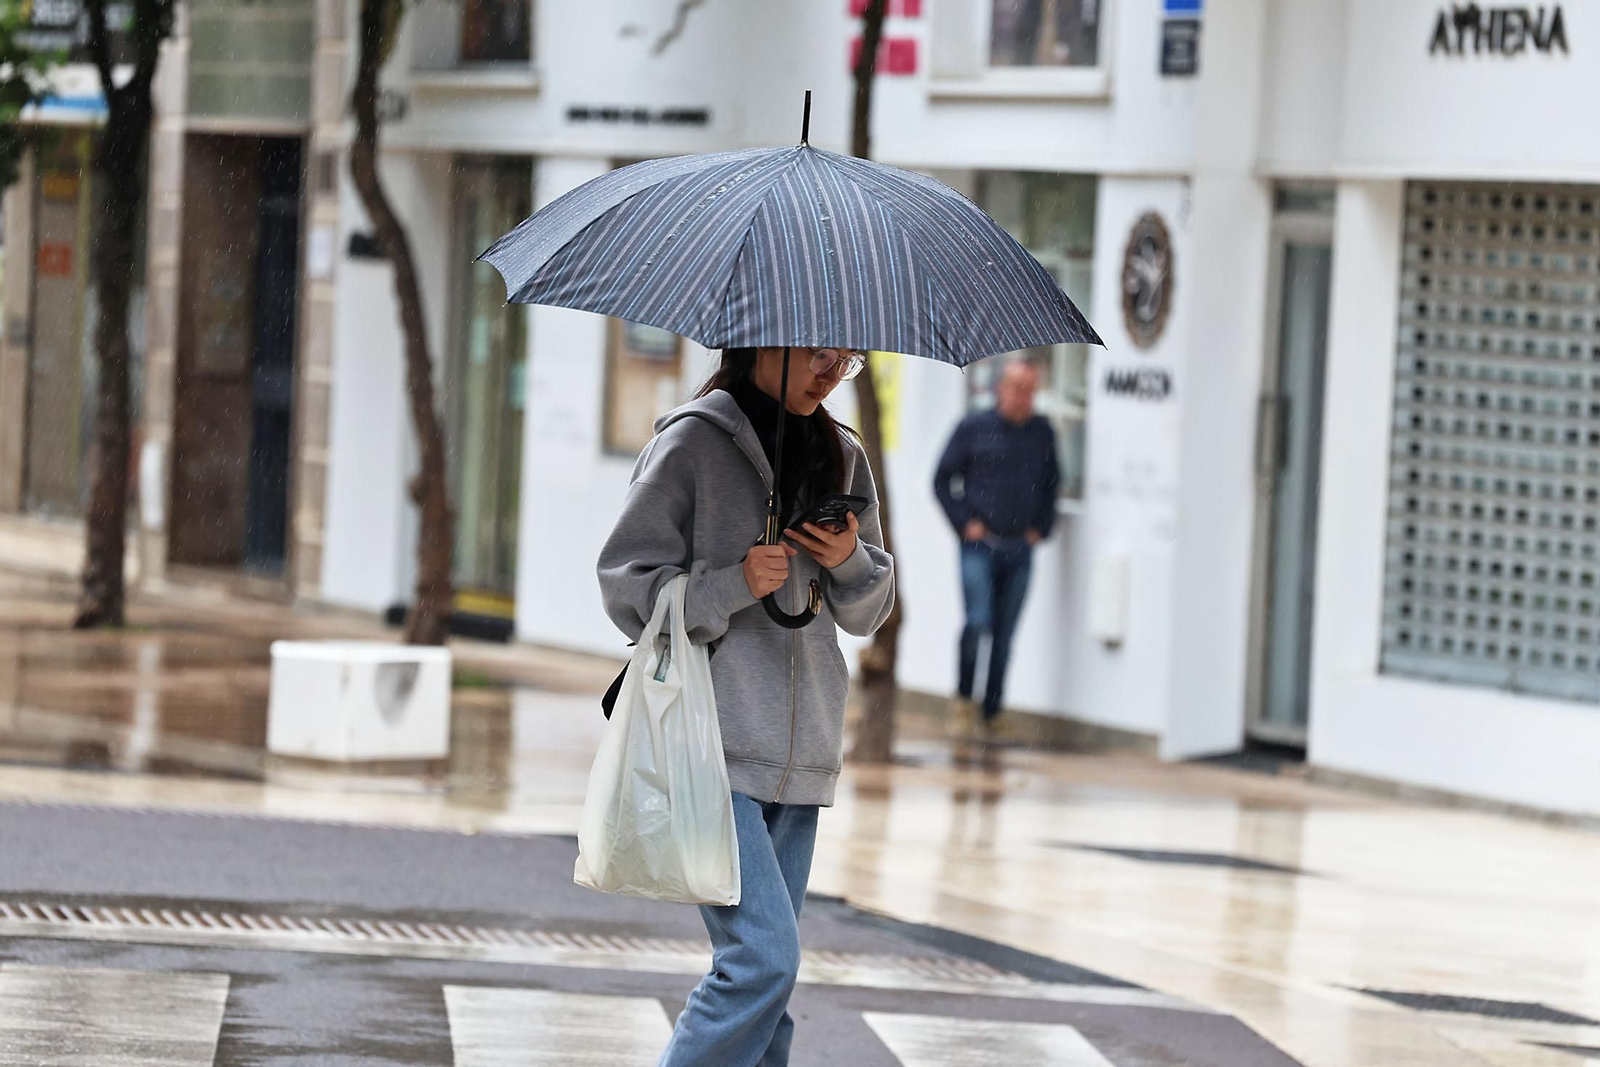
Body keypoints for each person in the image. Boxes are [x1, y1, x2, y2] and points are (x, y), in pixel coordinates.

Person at [597, 346, 895, 1067]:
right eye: (822, 354)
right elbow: (625, 585)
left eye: (847, 361)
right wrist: (732, 582)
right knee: (761, 964)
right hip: (714, 744)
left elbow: (871, 611)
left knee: (770, 985)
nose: (831, 373)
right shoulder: (691, 443)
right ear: (769, 340)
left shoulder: (842, 454)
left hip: (804, 751)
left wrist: (849, 557)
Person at [932, 359, 1059, 738]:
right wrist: (963, 522)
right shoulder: (974, 427)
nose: (1024, 397)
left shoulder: (1043, 432)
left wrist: (1042, 528)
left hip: (1020, 549)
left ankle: (993, 711)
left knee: (1005, 635)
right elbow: (941, 479)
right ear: (1000, 388)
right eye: (1018, 388)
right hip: (979, 546)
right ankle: (962, 702)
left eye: (1030, 390)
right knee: (978, 623)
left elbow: (1054, 484)